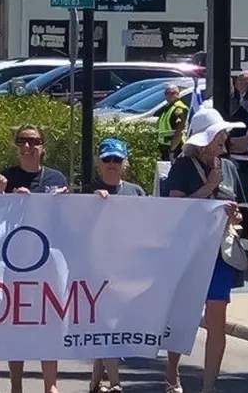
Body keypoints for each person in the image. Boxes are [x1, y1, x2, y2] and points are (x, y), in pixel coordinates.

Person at [162, 108, 244, 393]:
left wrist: (234, 217)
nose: (225, 137)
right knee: (184, 315)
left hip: (220, 252)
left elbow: (235, 209)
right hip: (190, 251)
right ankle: (172, 375)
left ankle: (209, 386)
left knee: (217, 320)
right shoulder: (184, 165)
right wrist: (207, 188)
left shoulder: (229, 167)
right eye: (220, 132)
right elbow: (175, 207)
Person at [80, 139, 138, 393]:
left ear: (124, 164)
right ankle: (115, 383)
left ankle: (95, 382)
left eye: (117, 160)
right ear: (99, 164)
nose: (112, 165)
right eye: (107, 160)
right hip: (97, 271)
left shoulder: (136, 192)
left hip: (128, 269)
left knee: (112, 325)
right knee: (107, 324)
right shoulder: (88, 192)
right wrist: (91, 203)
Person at [0, 125, 68, 196]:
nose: (26, 146)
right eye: (21, 141)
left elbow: (66, 209)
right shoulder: (6, 178)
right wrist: (0, 193)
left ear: (43, 148)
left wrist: (63, 199)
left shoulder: (56, 179)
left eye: (33, 141)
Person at [157, 84, 188, 161]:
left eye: (168, 93)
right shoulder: (169, 107)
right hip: (166, 147)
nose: (166, 96)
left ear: (175, 94)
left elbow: (179, 132)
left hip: (175, 148)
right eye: (166, 93)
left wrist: (172, 151)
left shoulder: (179, 108)